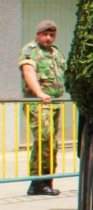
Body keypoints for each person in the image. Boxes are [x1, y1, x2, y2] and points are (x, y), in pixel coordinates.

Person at [19, 20, 66, 196]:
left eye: (52, 35)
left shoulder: (55, 52)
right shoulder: (31, 50)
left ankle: (44, 181)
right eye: (45, 34)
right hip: (39, 104)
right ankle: (39, 181)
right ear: (38, 34)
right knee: (44, 139)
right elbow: (28, 72)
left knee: (50, 142)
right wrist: (39, 93)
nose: (48, 38)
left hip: (52, 104)